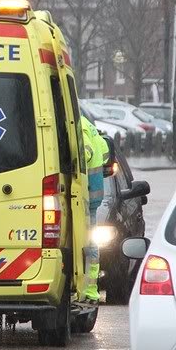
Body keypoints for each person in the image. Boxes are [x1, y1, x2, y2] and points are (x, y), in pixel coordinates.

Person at [80, 115, 109, 303]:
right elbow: (105, 153)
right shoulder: (90, 126)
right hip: (93, 196)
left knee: (88, 244)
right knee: (91, 244)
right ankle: (91, 288)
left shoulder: (80, 127)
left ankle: (89, 289)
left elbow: (85, 153)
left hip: (85, 196)